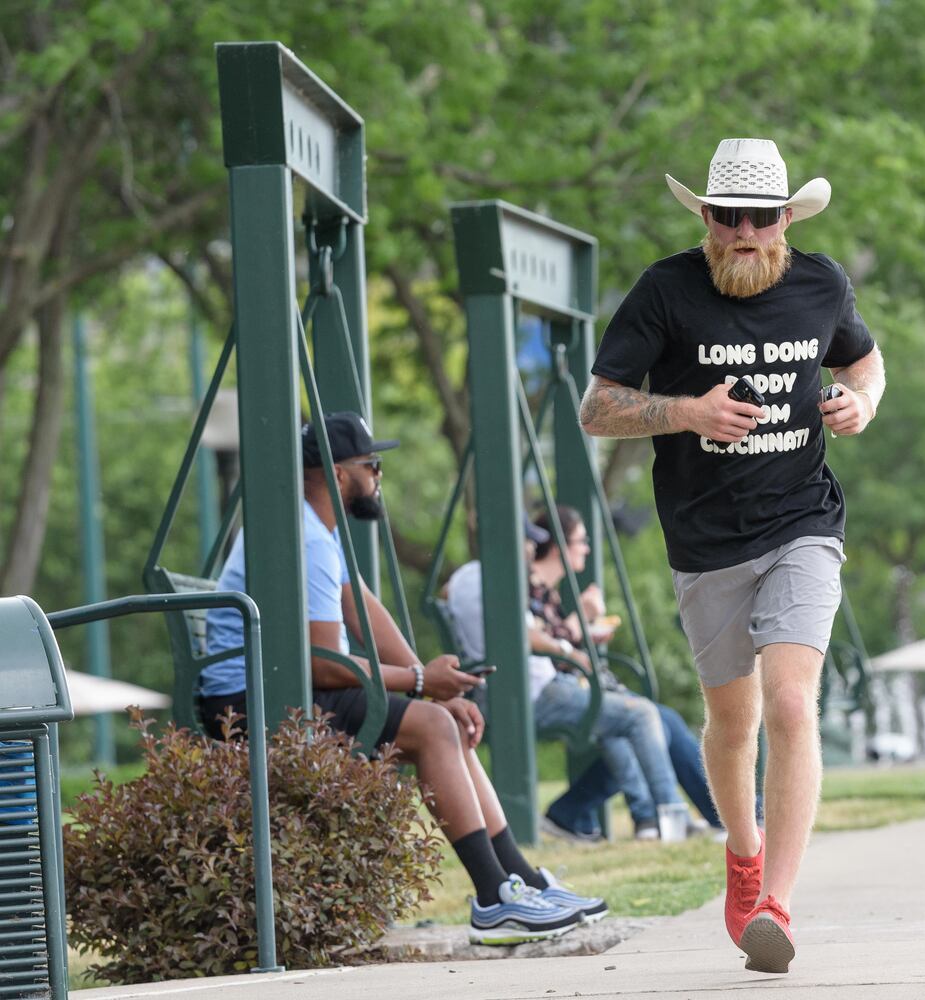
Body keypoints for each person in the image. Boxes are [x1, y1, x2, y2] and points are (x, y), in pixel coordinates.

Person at [578, 137, 885, 974]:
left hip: (803, 524)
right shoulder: (664, 291)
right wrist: (686, 413)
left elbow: (864, 359)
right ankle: (742, 858)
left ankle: (776, 904)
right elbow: (597, 408)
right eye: (728, 216)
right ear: (706, 218)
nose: (745, 231)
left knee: (791, 706)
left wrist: (861, 401)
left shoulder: (821, 283)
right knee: (732, 719)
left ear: (787, 218)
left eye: (761, 216)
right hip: (705, 541)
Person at [199, 412, 605, 946]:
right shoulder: (307, 540)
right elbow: (321, 662)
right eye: (372, 464)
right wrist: (417, 683)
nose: (379, 474)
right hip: (249, 702)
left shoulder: (315, 529)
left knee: (445, 723)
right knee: (434, 728)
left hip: (284, 687)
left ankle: (519, 881)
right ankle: (493, 899)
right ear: (340, 475)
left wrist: (435, 684)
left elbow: (365, 614)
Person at [447, 506, 688, 841]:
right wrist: (568, 649)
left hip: (518, 685)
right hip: (529, 691)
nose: (531, 550)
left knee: (620, 719)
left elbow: (502, 623)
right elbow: (523, 633)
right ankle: (670, 816)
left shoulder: (466, 578)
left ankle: (646, 821)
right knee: (642, 714)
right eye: (528, 542)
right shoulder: (496, 578)